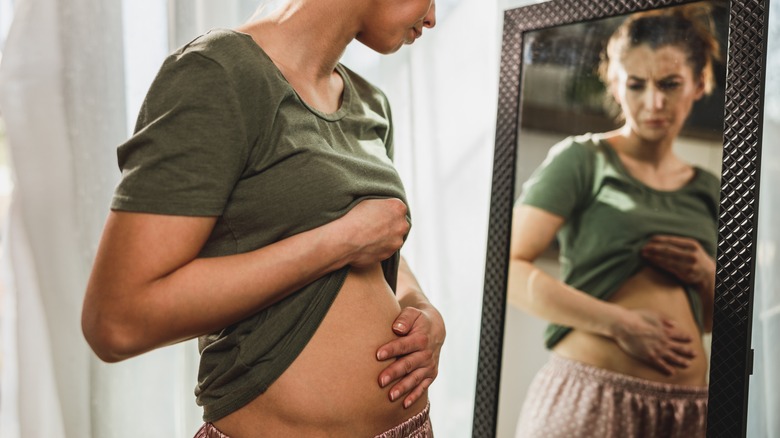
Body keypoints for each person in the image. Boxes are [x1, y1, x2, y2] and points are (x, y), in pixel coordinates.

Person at [80, 0, 446, 437]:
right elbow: (117, 321)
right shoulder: (218, 74)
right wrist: (339, 242)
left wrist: (419, 305)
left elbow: (375, 240)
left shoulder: (371, 103)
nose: (432, 17)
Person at [509, 4, 722, 438]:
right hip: (592, 400)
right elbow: (506, 269)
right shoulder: (582, 160)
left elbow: (713, 323)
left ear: (700, 83)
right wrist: (618, 323)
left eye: (670, 84)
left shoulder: (711, 189)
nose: (653, 103)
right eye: (636, 85)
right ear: (615, 83)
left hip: (689, 413)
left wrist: (706, 274)